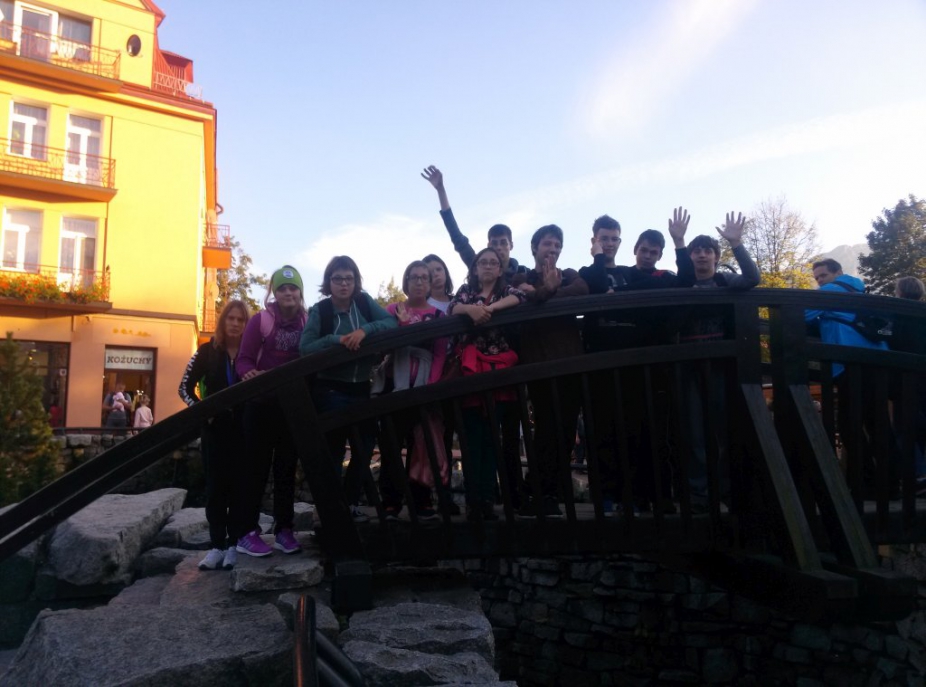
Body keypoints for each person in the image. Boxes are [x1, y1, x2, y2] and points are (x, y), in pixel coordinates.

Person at [299, 256, 397, 522]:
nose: (343, 284)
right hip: (330, 388)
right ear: (329, 282)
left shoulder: (363, 303)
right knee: (333, 448)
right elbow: (305, 347)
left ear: (355, 282)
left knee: (364, 446)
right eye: (338, 279)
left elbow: (391, 323)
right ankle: (332, 508)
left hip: (361, 387)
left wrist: (364, 330)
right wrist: (336, 340)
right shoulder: (321, 310)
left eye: (348, 279)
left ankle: (350, 502)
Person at [676, 212, 759, 513]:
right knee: (695, 433)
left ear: (716, 256)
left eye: (707, 250)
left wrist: (736, 244)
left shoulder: (724, 280)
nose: (701, 255)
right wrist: (678, 242)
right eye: (696, 251)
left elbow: (752, 279)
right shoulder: (682, 283)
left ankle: (726, 490)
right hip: (689, 366)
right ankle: (699, 494)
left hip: (722, 365)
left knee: (724, 430)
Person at [511, 225, 589, 517]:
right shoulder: (522, 277)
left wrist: (548, 292)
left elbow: (582, 290)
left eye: (557, 245)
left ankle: (551, 490)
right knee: (545, 428)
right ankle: (537, 491)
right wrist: (543, 291)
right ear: (534, 247)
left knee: (566, 430)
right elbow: (526, 296)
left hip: (570, 361)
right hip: (538, 363)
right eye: (547, 244)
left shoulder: (568, 274)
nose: (552, 249)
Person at [233, 266, 308, 557]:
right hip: (261, 405)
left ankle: (284, 530)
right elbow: (243, 359)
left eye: (293, 288)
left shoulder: (307, 321)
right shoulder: (260, 321)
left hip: (291, 406)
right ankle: (245, 533)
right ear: (274, 293)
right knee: (255, 469)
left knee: (286, 470)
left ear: (300, 292)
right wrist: (248, 374)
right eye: (282, 289)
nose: (288, 293)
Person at [805, 258, 894, 497]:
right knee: (878, 422)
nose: (820, 281)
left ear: (837, 272)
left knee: (848, 424)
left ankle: (866, 482)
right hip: (877, 361)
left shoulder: (830, 291)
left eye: (823, 275)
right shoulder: (859, 290)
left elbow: (802, 314)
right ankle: (892, 481)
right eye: (817, 278)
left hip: (851, 364)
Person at [449, 247, 526, 520]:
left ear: (500, 268)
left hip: (497, 372)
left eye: (493, 262)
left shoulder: (505, 291)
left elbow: (520, 297)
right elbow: (453, 307)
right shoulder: (466, 291)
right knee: (472, 437)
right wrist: (471, 310)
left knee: (493, 437)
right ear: (475, 267)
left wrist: (488, 309)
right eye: (483, 262)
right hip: (471, 370)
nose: (488, 266)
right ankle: (474, 500)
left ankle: (486, 497)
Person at [178, 300, 249, 570]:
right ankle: (216, 546)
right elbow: (184, 388)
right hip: (214, 432)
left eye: (241, 320)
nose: (235, 324)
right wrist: (202, 411)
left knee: (240, 488)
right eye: (231, 318)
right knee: (216, 489)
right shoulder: (206, 352)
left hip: (243, 431)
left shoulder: (251, 354)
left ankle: (234, 545)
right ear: (223, 321)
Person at [377, 260, 450, 520]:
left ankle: (421, 500)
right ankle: (390, 501)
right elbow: (383, 345)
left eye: (424, 278)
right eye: (414, 277)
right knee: (391, 444)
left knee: (422, 443)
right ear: (406, 282)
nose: (419, 282)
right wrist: (401, 327)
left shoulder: (439, 316)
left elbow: (440, 353)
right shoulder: (393, 310)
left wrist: (430, 385)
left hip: (423, 386)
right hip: (395, 385)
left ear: (430, 284)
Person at [421, 165, 527, 280]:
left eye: (503, 243)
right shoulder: (477, 267)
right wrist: (441, 190)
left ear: (511, 245)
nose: (499, 247)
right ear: (489, 246)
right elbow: (457, 237)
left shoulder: (525, 275)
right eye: (494, 243)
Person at [890, 276, 926, 491]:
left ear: (900, 292)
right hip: (923, 376)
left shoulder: (898, 313)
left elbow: (893, 340)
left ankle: (916, 475)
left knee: (905, 426)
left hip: (904, 377)